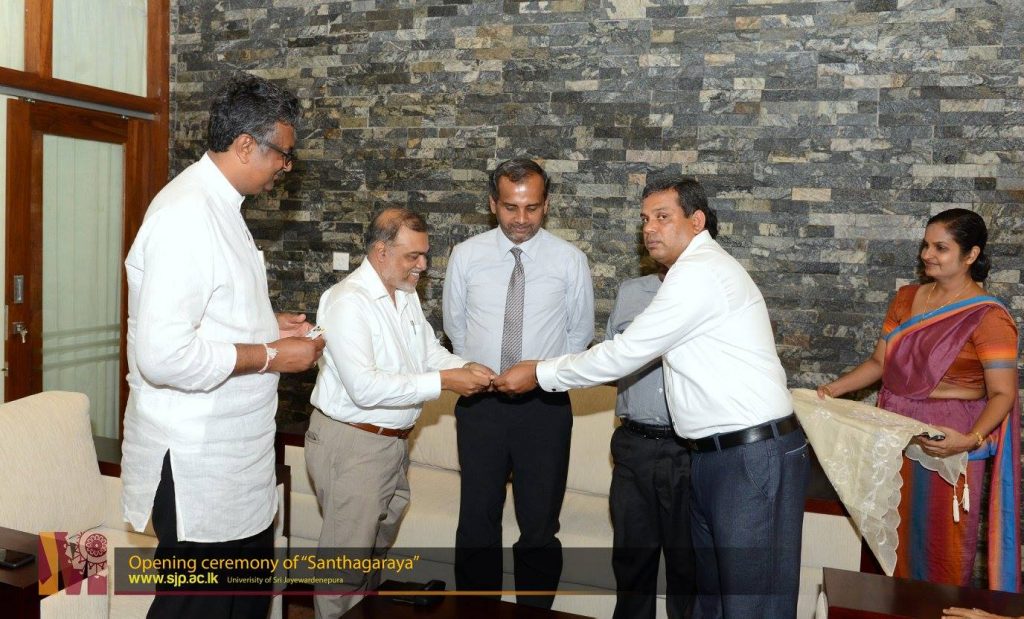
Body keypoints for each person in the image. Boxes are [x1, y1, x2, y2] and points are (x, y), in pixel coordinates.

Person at [495, 176, 808, 618]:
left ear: (697, 222)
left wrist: (539, 371)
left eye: (663, 217)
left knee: (751, 605)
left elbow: (625, 353)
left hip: (749, 457)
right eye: (645, 219)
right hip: (712, 457)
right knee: (713, 602)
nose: (649, 229)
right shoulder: (688, 272)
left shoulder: (700, 272)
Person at [122, 73, 325, 619]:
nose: (286, 166)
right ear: (245, 146)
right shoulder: (186, 215)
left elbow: (207, 313)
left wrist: (265, 326)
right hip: (198, 465)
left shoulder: (222, 206)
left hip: (236, 461)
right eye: (283, 154)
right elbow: (163, 355)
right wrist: (270, 355)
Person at [816, 208, 1020, 592]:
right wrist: (832, 391)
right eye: (926, 245)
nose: (927, 254)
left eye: (941, 248)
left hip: (949, 440)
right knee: (890, 539)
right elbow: (879, 363)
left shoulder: (987, 317)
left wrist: (970, 440)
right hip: (894, 433)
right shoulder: (906, 298)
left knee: (941, 547)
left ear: (971, 255)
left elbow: (1002, 393)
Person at [307, 208, 494, 618]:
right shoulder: (346, 302)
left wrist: (465, 366)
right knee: (344, 566)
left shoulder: (405, 294)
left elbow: (427, 352)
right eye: (413, 256)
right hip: (353, 441)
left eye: (424, 255)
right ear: (381, 252)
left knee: (373, 553)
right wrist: (446, 381)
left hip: (392, 444)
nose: (423, 265)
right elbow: (365, 387)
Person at [442, 158, 594, 608]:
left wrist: (540, 376)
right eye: (510, 207)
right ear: (493, 204)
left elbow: (579, 335)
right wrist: (483, 373)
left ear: (546, 205)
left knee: (540, 527)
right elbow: (456, 328)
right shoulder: (466, 255)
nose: (521, 219)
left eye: (531, 208)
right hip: (480, 404)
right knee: (476, 522)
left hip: (544, 409)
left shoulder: (570, 260)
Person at [606, 269, 694, 619]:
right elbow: (610, 359)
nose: (653, 239)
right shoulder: (630, 292)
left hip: (688, 452)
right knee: (631, 563)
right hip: (633, 446)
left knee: (688, 567)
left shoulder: (709, 291)